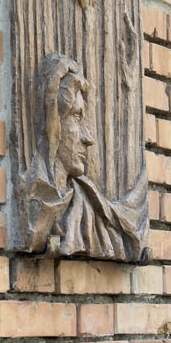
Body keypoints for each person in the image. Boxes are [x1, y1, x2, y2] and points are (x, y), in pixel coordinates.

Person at [18, 53, 149, 261]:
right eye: (76, 116)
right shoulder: (33, 200)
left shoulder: (89, 203)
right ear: (53, 120)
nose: (88, 138)